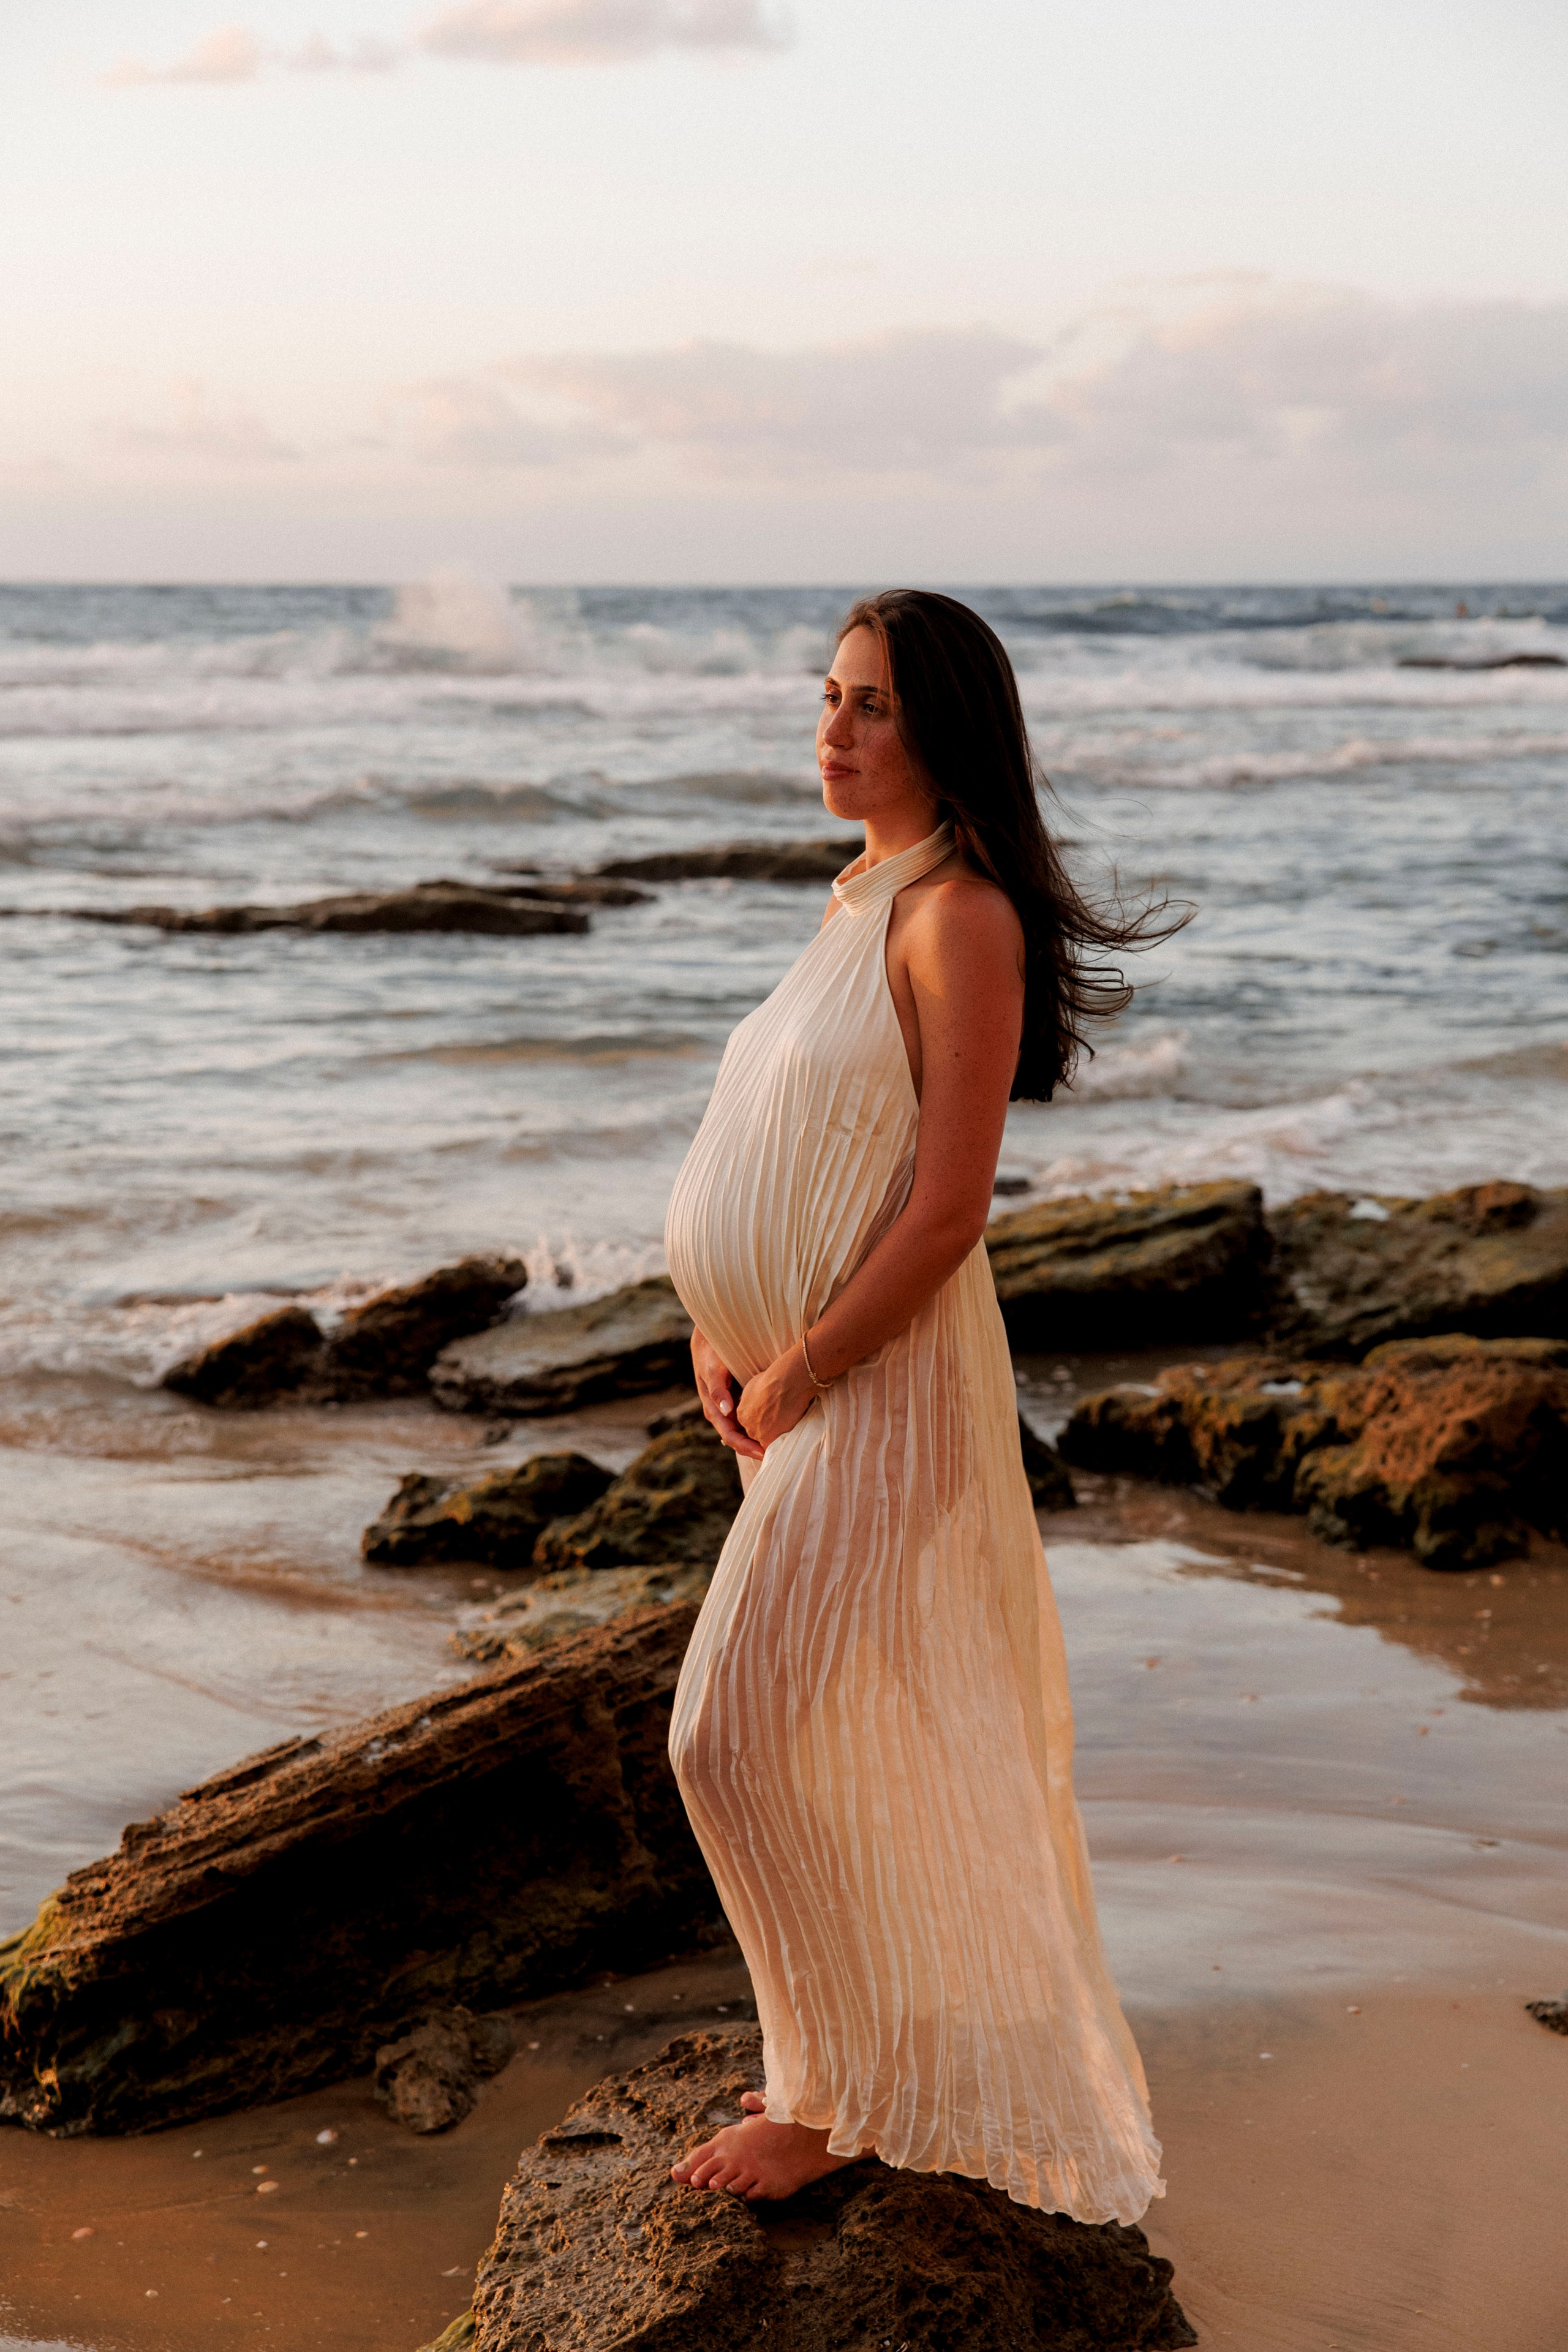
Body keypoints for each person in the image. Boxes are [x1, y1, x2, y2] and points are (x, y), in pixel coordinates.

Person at [662, 589, 1177, 2218]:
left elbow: (947, 1210)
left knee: (725, 1739)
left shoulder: (959, 920)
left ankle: (829, 2104)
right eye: (828, 694)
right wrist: (715, 1334)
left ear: (946, 728)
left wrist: (801, 1364)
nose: (832, 728)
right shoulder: (856, 901)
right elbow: (796, 1157)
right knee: (825, 1738)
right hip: (795, 1395)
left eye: (871, 703)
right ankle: (848, 2053)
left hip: (883, 1405)